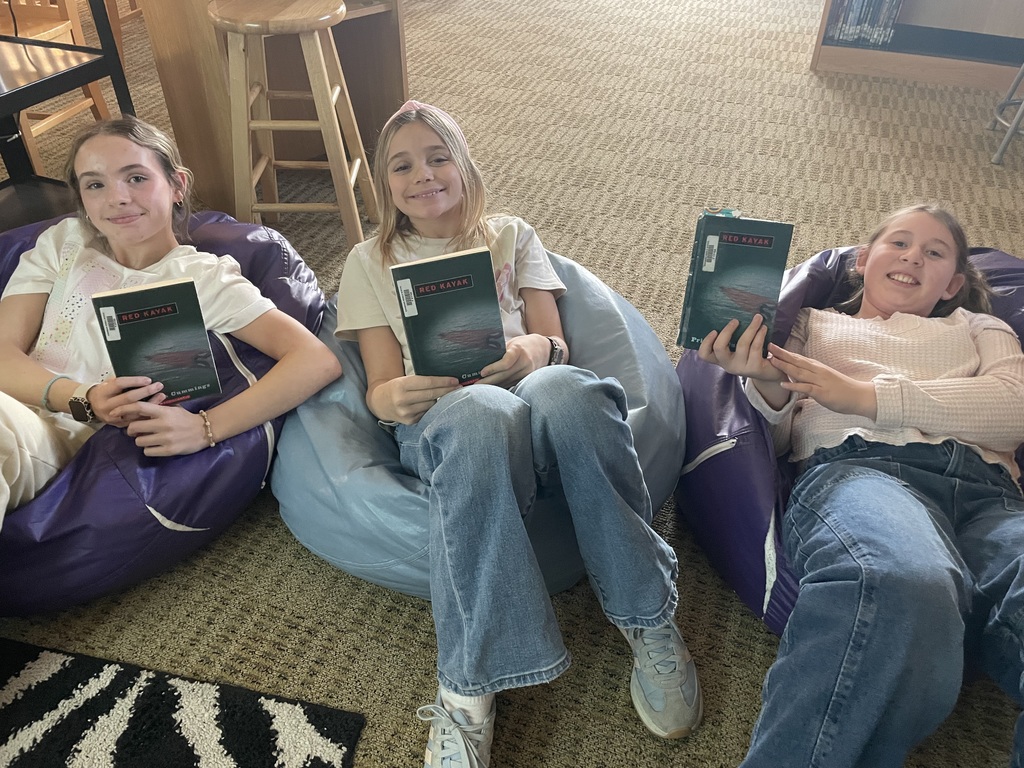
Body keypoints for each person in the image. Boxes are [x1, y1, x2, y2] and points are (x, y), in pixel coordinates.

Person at [336, 100, 702, 766]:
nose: (424, 175)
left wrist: (534, 353)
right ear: (384, 186)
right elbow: (379, 389)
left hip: (533, 398)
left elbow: (557, 341)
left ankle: (647, 618)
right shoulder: (369, 260)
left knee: (569, 390)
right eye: (403, 165)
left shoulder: (510, 234)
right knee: (479, 412)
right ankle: (467, 691)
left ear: (465, 164)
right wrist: (398, 396)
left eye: (438, 156)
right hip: (447, 421)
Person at [698, 203, 1024, 768]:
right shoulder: (813, 324)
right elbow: (769, 443)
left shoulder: (979, 327)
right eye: (899, 243)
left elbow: (1013, 407)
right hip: (863, 473)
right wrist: (767, 383)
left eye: (935, 252)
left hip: (989, 495)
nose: (912, 257)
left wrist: (864, 397)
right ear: (863, 259)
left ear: (954, 283)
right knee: (901, 581)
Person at [0, 116, 341, 526]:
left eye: (137, 178)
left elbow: (315, 360)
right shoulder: (64, 242)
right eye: (95, 184)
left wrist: (205, 428)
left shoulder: (201, 276)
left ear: (177, 185)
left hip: (51, 441)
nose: (117, 198)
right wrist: (81, 395)